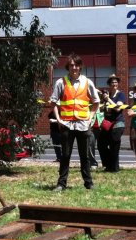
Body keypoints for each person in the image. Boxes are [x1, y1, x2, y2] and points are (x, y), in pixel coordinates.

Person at [49, 54, 100, 191]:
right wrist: (58, 119)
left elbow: (96, 102)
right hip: (66, 125)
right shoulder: (61, 82)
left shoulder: (88, 82)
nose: (74, 68)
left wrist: (90, 118)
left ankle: (88, 183)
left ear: (80, 66)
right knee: (65, 155)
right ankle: (61, 184)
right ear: (68, 67)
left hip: (83, 125)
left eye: (76, 65)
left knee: (85, 156)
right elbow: (53, 102)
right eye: (71, 65)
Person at [98, 74, 127, 172]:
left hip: (118, 123)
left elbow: (118, 109)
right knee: (101, 144)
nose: (114, 83)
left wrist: (108, 99)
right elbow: (101, 109)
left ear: (118, 84)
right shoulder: (107, 94)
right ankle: (108, 165)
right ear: (109, 84)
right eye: (112, 82)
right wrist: (102, 100)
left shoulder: (120, 95)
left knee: (114, 145)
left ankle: (114, 168)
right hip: (107, 123)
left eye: (115, 82)